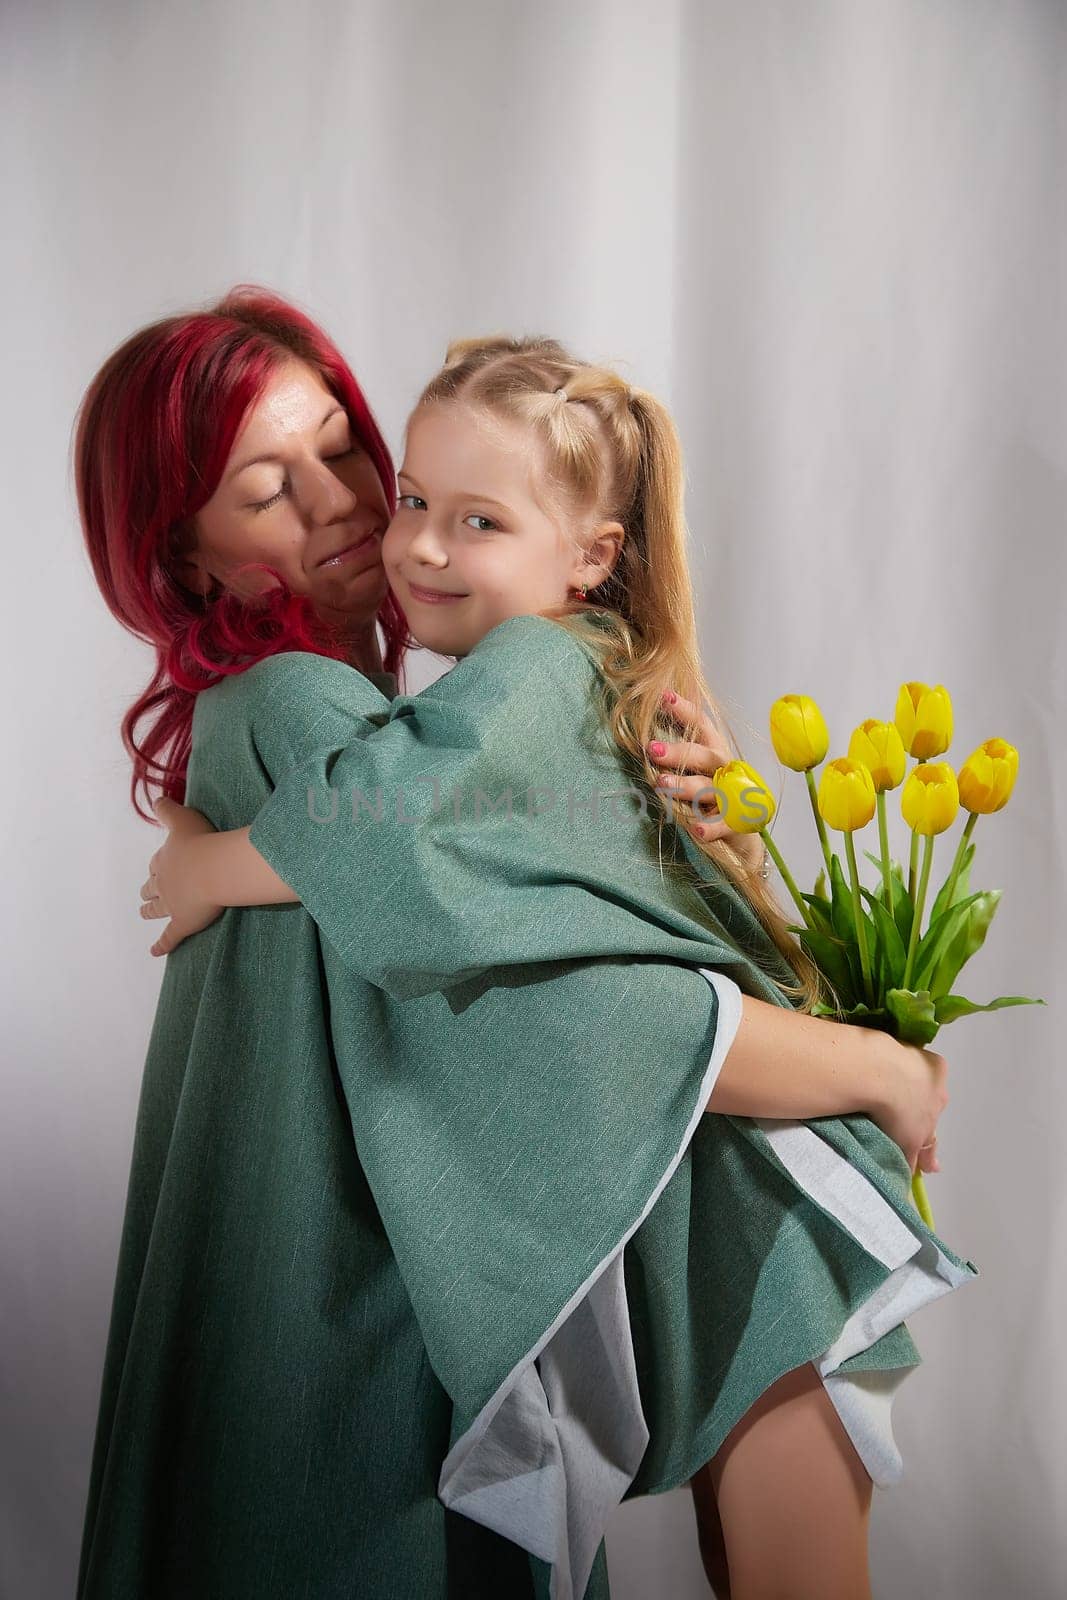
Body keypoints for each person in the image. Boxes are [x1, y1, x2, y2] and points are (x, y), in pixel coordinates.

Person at [140, 330, 975, 1600]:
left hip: (756, 1213)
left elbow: (409, 838)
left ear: (590, 555)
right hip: (729, 1215)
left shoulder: (526, 668)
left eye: (342, 455)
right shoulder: (472, 687)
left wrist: (221, 864)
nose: (393, 531)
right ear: (183, 553)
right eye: (413, 497)